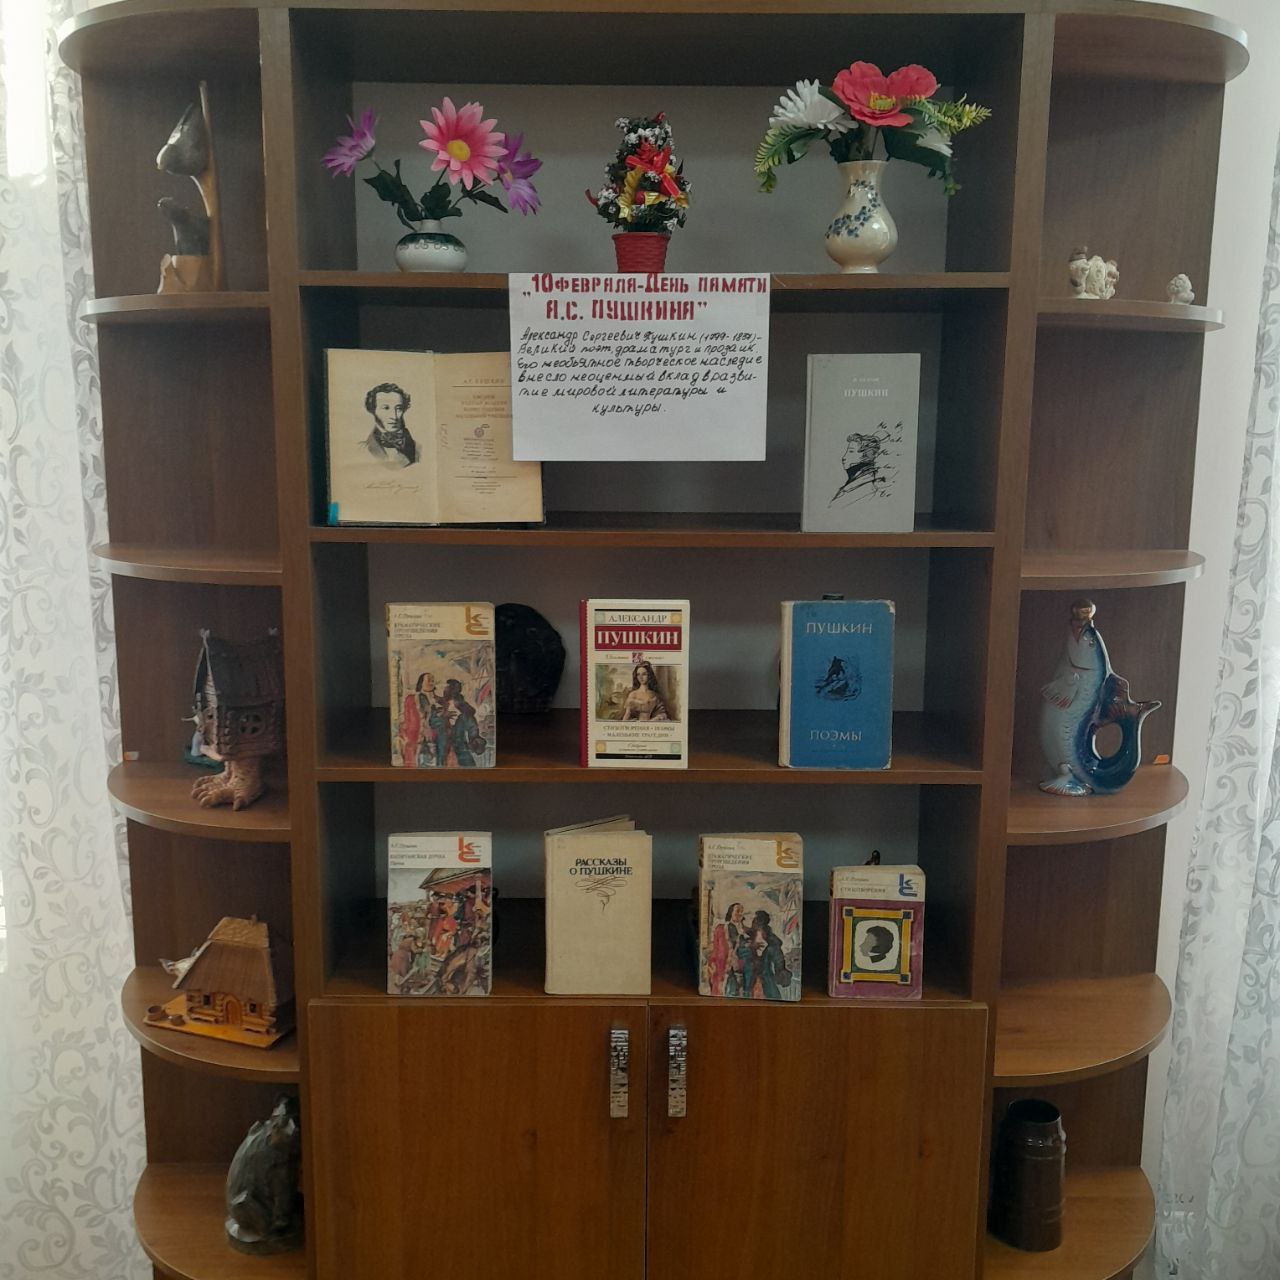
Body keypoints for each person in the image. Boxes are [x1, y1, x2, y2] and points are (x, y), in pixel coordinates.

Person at [361, 381, 417, 467]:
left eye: (399, 408)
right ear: (373, 410)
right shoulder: (362, 450)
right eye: (386, 408)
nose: (394, 416)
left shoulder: (418, 448)